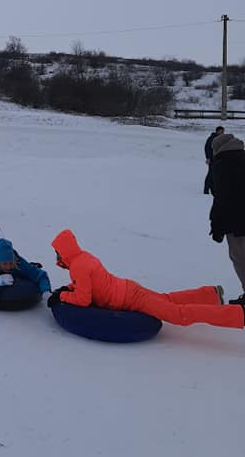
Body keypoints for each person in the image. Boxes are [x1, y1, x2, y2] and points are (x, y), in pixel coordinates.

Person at [49, 229, 245, 327]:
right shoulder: (83, 257)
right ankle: (210, 294)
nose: (57, 257)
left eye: (57, 253)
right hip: (128, 288)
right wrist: (69, 288)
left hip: (131, 299)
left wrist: (62, 296)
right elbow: (89, 284)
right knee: (166, 299)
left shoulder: (78, 267)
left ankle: (238, 315)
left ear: (64, 252)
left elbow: (83, 299)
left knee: (178, 314)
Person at [209, 132, 245, 304]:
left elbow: (222, 198)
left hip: (237, 223)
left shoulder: (223, 163)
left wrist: (216, 225)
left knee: (241, 258)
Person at [204, 125, 225, 195]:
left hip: (218, 159)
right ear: (217, 131)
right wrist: (208, 158)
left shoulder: (221, 139)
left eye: (223, 131)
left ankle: (213, 189)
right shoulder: (212, 138)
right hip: (212, 159)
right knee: (210, 174)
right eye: (221, 131)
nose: (223, 133)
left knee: (215, 175)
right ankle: (206, 190)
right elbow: (207, 148)